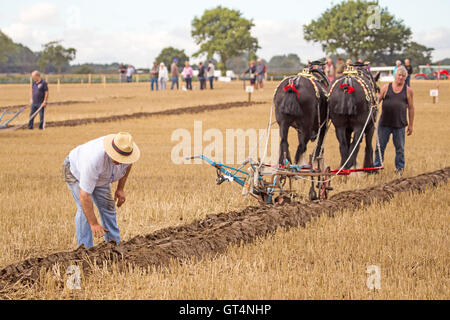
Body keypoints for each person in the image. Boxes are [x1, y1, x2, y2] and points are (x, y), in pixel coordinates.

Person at [62, 132, 141, 248]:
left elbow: (127, 167)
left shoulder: (127, 151)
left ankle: (114, 245)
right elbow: (84, 197)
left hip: (102, 176)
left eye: (123, 159)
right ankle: (85, 250)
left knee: (109, 208)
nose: (119, 162)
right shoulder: (94, 160)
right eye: (117, 157)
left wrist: (120, 189)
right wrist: (93, 223)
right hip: (75, 171)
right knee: (84, 211)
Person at [374, 66, 414, 175]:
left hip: (399, 124)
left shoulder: (408, 91)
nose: (400, 77)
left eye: (403, 76)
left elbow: (411, 108)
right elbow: (377, 101)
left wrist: (411, 125)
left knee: (400, 149)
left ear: (405, 78)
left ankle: (399, 168)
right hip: (384, 123)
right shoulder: (386, 87)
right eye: (399, 75)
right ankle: (376, 166)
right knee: (379, 147)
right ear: (395, 75)